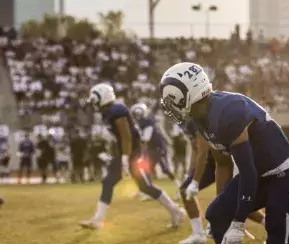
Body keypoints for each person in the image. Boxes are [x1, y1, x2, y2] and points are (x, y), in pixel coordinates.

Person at [160, 62, 289, 244]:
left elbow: (248, 172)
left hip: (286, 172)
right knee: (216, 215)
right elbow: (222, 164)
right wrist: (223, 204)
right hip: (260, 173)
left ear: (189, 93)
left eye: (173, 99)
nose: (171, 106)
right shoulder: (200, 116)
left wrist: (238, 222)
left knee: (277, 235)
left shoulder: (229, 112)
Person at [80, 83, 184, 229]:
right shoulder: (108, 112)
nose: (94, 105)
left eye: (95, 101)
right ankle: (175, 211)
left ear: (103, 98)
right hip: (127, 152)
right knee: (140, 186)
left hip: (132, 153)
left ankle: (176, 211)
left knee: (129, 184)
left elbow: (126, 136)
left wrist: (124, 158)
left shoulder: (117, 110)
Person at [179, 119, 265, 244]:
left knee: (236, 201)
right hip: (216, 162)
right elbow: (196, 149)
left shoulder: (199, 116)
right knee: (229, 203)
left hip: (220, 161)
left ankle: (274, 227)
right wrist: (190, 172)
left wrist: (196, 181)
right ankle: (198, 233)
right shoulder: (188, 120)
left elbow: (203, 150)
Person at [130, 103, 181, 189]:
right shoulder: (144, 122)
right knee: (147, 169)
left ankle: (179, 186)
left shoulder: (147, 123)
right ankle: (147, 189)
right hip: (153, 148)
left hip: (157, 148)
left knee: (163, 169)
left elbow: (146, 138)